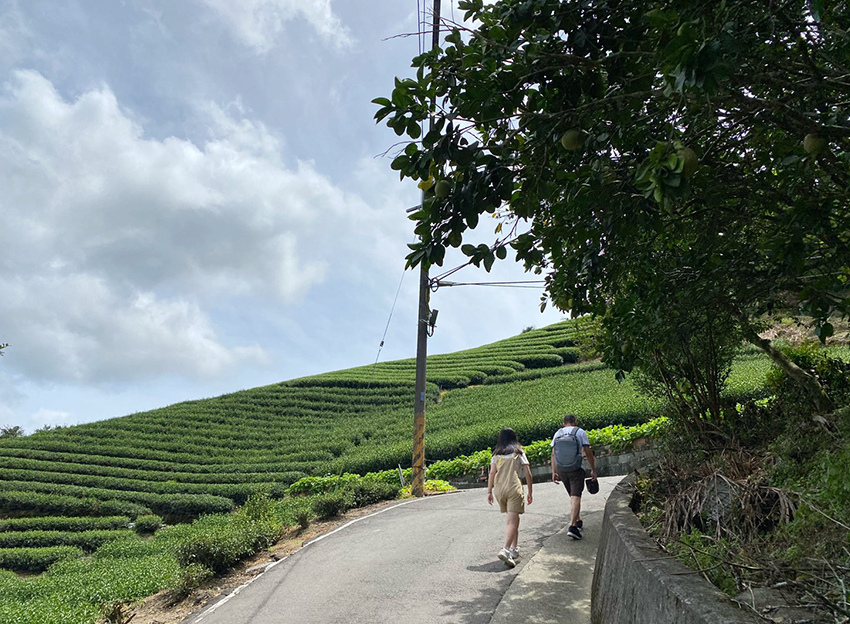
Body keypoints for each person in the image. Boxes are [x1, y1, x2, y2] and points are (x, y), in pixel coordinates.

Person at [487, 427, 533, 568]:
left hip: (500, 489)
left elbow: (492, 474)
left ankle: (514, 550)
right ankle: (505, 549)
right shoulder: (518, 452)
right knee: (512, 521)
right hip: (513, 488)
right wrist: (530, 491)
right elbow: (528, 473)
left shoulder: (496, 455)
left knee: (514, 519)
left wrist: (489, 491)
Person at [551, 413, 597, 540]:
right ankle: (572, 527)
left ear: (563, 423)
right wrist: (593, 469)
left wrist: (554, 471)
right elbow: (587, 452)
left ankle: (577, 520)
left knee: (572, 495)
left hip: (561, 469)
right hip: (575, 468)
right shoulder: (580, 432)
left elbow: (553, 453)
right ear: (575, 422)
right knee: (576, 496)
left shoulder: (558, 433)